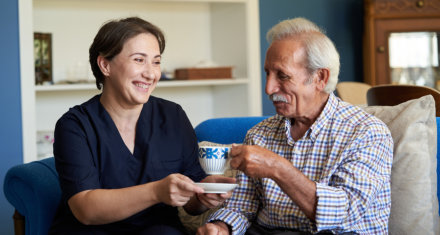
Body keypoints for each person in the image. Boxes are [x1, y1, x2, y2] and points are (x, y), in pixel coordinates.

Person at [197, 17, 393, 235]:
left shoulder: (367, 132)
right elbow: (241, 207)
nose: (269, 88)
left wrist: (277, 168)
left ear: (319, 77)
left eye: (282, 75)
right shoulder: (259, 135)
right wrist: (222, 227)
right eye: (267, 74)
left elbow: (345, 212)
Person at [49, 17, 234, 234]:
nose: (151, 73)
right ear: (105, 65)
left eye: (156, 62)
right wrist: (156, 191)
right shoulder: (75, 125)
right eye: (139, 60)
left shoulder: (173, 116)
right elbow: (85, 209)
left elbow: (191, 203)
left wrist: (204, 196)